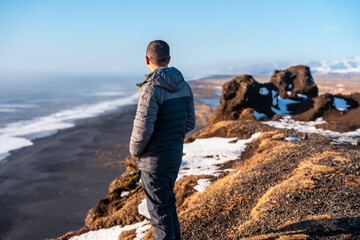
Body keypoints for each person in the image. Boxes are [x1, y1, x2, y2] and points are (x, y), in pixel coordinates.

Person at [129, 40, 195, 240]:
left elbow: (141, 133)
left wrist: (134, 152)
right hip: (173, 156)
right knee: (167, 204)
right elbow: (190, 123)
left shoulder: (150, 90)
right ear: (168, 59)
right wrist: (171, 137)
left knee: (159, 214)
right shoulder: (184, 86)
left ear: (147, 60)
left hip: (154, 161)